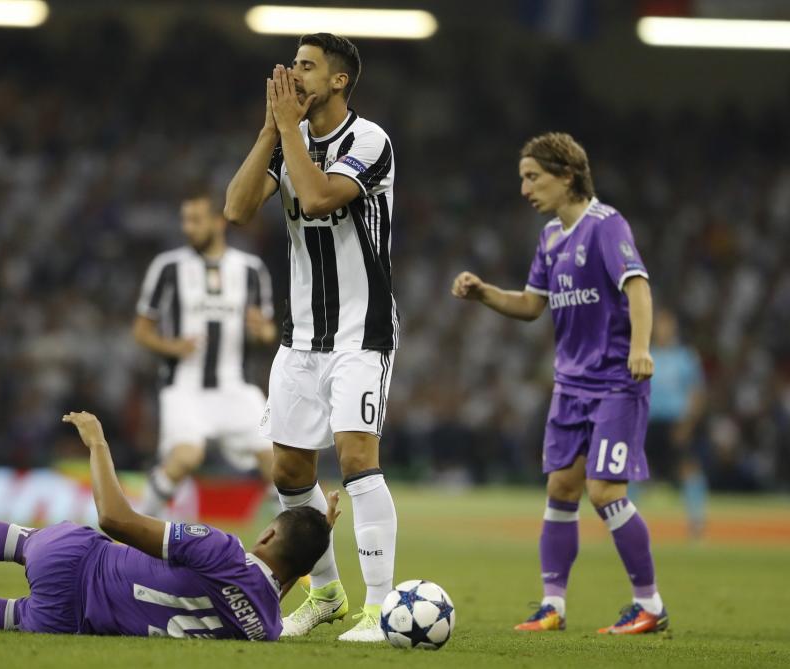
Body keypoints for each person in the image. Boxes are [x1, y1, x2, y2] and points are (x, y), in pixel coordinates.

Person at [0, 411, 338, 641]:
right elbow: (265, 588)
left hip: (80, 559)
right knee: (10, 615)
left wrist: (98, 445)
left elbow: (116, 519)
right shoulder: (266, 628)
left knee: (17, 541)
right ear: (297, 571)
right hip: (73, 622)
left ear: (268, 535)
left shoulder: (223, 550)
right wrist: (318, 537)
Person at [452, 132, 668, 635]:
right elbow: (531, 306)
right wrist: (484, 293)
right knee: (561, 487)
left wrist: (640, 348)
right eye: (522, 178)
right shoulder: (550, 237)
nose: (525, 188)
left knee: (604, 488)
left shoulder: (605, 225)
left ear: (566, 174)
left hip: (616, 380)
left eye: (533, 177)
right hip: (571, 386)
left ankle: (650, 604)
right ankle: (553, 605)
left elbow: (637, 285)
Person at [223, 33, 399, 642]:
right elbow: (237, 208)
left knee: (355, 459)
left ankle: (379, 608)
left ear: (340, 80)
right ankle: (325, 593)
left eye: (307, 66)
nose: (294, 73)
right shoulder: (287, 140)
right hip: (302, 335)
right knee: (290, 469)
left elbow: (321, 198)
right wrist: (273, 131)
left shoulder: (369, 140)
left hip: (361, 330)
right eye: (292, 64)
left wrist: (290, 133)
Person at [133, 190, 278, 515]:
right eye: (185, 220)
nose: (188, 227)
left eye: (196, 220)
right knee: (186, 457)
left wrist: (261, 330)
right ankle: (134, 527)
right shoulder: (168, 267)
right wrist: (172, 346)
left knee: (278, 464)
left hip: (235, 387)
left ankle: (293, 555)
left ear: (218, 221)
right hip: (185, 386)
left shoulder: (251, 270)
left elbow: (267, 331)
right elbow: (141, 330)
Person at [648, 307, 707, 538]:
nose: (663, 329)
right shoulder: (644, 353)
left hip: (676, 423)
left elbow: (697, 394)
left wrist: (687, 425)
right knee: (631, 471)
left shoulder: (686, 357)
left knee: (689, 470)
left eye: (667, 324)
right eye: (659, 324)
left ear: (674, 327)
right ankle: (624, 526)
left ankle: (696, 523)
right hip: (649, 422)